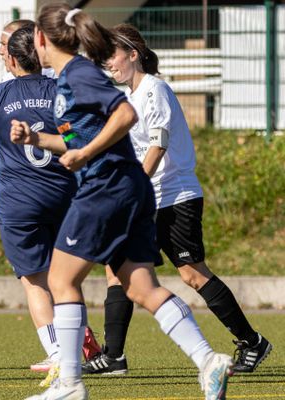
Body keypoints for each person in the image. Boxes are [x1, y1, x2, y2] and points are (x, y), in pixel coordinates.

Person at [12, 4, 233, 400]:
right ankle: (208, 361)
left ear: (42, 39)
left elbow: (125, 114)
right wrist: (36, 139)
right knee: (141, 287)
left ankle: (70, 385)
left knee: (61, 280)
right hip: (126, 188)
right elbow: (80, 139)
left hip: (106, 188)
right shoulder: (68, 78)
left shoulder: (78, 73)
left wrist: (85, 153)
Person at [80, 23, 272, 376]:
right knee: (117, 271)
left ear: (133, 54)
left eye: (112, 55)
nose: (108, 63)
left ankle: (253, 342)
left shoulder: (155, 89)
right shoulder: (126, 98)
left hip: (173, 196)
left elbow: (158, 145)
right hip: (144, 198)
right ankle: (115, 357)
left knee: (192, 274)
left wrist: (131, 188)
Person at [0, 24, 77, 388]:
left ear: (12, 58)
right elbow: (76, 139)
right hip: (64, 195)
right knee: (65, 280)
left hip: (19, 202)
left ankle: (58, 353)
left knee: (34, 281)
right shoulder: (62, 89)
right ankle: (73, 353)